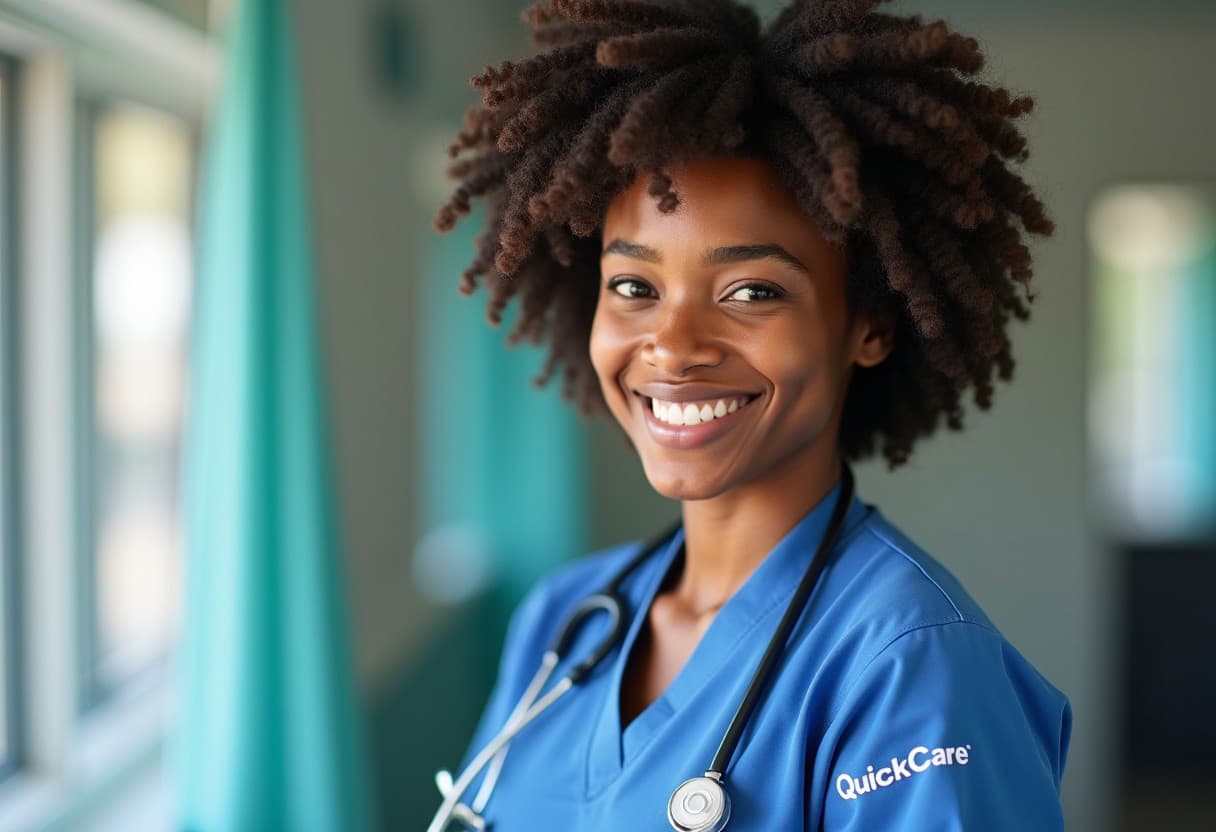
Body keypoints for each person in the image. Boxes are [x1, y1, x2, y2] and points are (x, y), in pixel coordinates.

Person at [431, 0, 1072, 829]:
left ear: (868, 326)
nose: (673, 343)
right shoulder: (563, 619)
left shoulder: (912, 670)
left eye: (752, 292)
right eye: (634, 287)